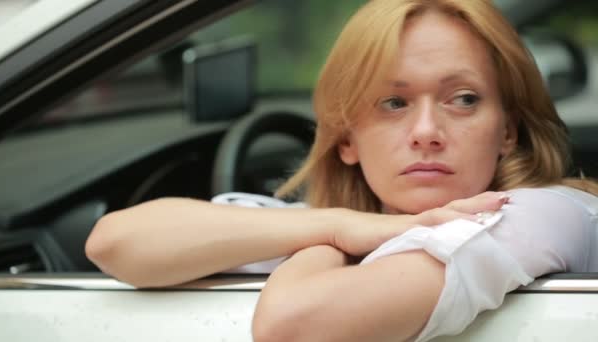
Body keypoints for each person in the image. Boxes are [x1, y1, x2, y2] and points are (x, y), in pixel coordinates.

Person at [85, 0, 598, 341]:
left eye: (463, 99)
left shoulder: (551, 213)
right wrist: (339, 226)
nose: (426, 130)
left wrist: (329, 237)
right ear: (348, 139)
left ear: (507, 131)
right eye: (393, 102)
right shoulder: (335, 223)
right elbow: (114, 243)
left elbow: (291, 326)